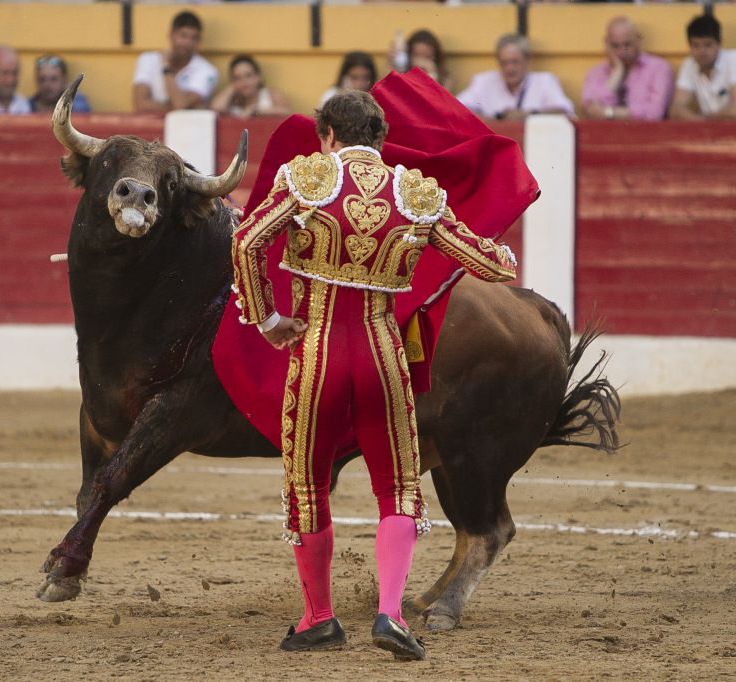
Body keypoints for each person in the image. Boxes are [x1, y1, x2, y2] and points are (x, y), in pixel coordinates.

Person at [231, 90, 517, 661]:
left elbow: (245, 241)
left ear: (328, 135)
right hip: (382, 354)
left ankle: (317, 618)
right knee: (397, 488)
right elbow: (494, 265)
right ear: (381, 140)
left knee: (309, 488)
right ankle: (390, 614)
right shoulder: (415, 194)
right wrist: (440, 239)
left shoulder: (306, 178)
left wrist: (267, 321)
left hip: (315, 352)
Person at [457, 34, 574, 120]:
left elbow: (564, 110)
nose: (509, 69)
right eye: (504, 63)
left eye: (515, 62)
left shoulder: (545, 81)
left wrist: (528, 115)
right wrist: (488, 120)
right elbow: (457, 108)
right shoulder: (484, 81)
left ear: (528, 59)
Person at [669, 15, 736, 121]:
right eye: (696, 45)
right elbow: (676, 110)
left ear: (720, 43)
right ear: (689, 46)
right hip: (709, 131)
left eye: (707, 45)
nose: (701, 52)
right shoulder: (689, 64)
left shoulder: (735, 58)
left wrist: (701, 120)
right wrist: (703, 122)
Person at [582, 16, 673, 121]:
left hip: (647, 134)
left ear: (638, 39)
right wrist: (617, 73)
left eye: (627, 44)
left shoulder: (659, 68)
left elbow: (655, 113)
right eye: (615, 46)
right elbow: (592, 111)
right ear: (606, 43)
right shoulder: (596, 72)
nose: (621, 51)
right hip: (606, 134)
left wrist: (609, 112)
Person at [132, 10, 218, 113]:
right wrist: (177, 107)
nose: (187, 43)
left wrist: (166, 68)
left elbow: (180, 104)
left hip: (189, 128)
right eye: (183, 36)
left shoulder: (207, 70)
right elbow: (140, 105)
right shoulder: (148, 59)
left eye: (194, 38)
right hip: (150, 127)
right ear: (171, 35)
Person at [210, 55, 291, 118]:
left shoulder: (271, 95)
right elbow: (216, 109)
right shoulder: (232, 99)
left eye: (248, 76)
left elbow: (287, 112)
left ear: (259, 77)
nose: (244, 82)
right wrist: (232, 87)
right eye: (237, 78)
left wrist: (257, 111)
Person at [387, 29, 454, 92]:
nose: (421, 62)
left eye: (427, 57)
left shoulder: (445, 78)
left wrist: (431, 72)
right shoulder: (402, 73)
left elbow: (438, 101)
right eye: (417, 55)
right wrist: (392, 65)